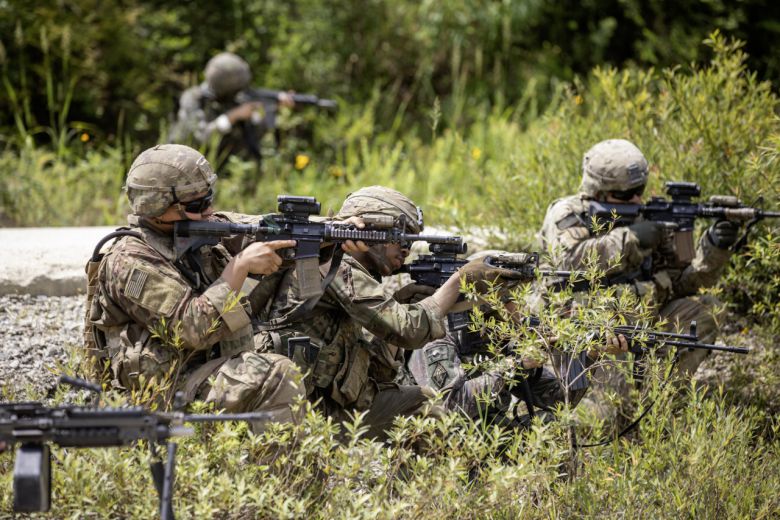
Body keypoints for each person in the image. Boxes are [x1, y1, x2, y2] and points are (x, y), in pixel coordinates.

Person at [254, 186, 511, 439]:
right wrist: (459, 281)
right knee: (423, 409)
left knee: (421, 406)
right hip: (297, 409)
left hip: (322, 404)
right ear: (368, 231)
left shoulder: (339, 267)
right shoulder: (335, 266)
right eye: (400, 238)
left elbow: (377, 373)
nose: (406, 249)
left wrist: (401, 303)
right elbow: (408, 330)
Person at [83, 144, 303, 427]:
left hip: (199, 371)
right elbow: (191, 328)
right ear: (156, 208)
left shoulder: (198, 229)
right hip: (160, 394)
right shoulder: (130, 261)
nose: (209, 210)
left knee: (299, 346)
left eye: (209, 198)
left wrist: (333, 234)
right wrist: (239, 267)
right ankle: (272, 458)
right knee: (278, 375)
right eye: (197, 206)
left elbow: (268, 229)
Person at [539, 138, 740, 377]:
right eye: (625, 195)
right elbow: (569, 263)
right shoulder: (568, 213)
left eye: (639, 191)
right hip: (584, 331)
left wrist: (715, 245)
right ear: (597, 191)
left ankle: (660, 393)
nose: (636, 200)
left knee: (706, 309)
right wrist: (630, 239)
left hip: (639, 325)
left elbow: (683, 284)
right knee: (609, 400)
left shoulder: (647, 217)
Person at [169, 52, 295, 166]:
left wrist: (271, 109)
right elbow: (201, 136)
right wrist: (233, 116)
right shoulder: (193, 98)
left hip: (224, 166)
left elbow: (256, 134)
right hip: (183, 165)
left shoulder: (237, 99)